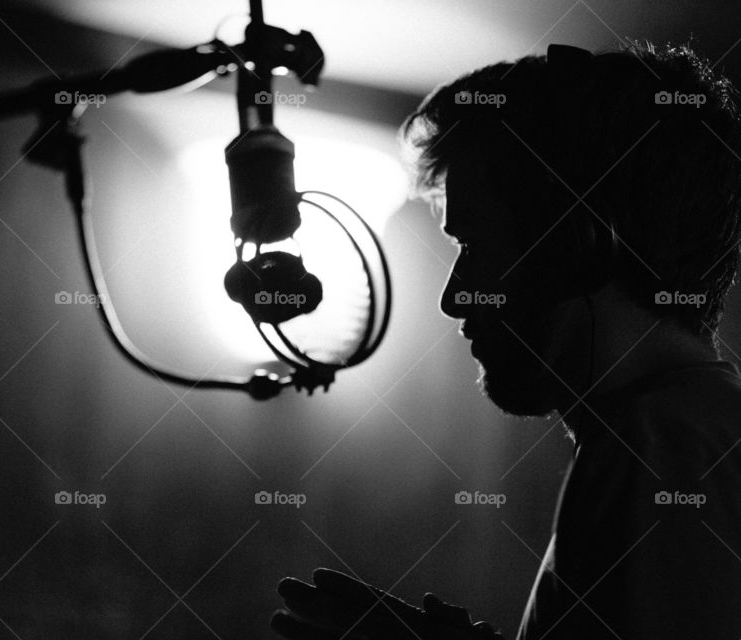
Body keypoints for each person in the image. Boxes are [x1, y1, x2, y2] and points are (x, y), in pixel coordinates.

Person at [271, 41, 741, 639]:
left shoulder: (658, 448)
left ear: (578, 245)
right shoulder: (680, 437)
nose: (453, 297)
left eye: (476, 245)